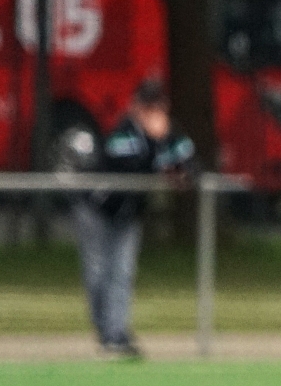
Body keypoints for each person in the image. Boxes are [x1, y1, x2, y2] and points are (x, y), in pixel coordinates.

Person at [72, 79, 194, 358]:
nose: (152, 113)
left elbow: (189, 165)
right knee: (98, 273)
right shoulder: (124, 132)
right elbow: (129, 163)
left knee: (123, 271)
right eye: (147, 106)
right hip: (96, 210)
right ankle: (105, 331)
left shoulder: (170, 134)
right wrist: (157, 145)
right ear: (135, 106)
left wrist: (177, 165)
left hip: (128, 214)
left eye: (157, 106)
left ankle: (117, 334)